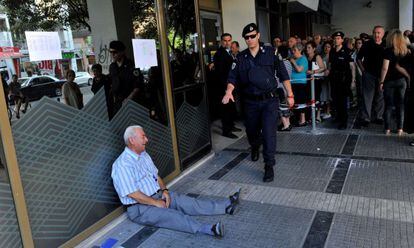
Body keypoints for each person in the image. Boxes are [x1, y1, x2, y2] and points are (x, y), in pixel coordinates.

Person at [112, 126, 241, 237]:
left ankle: (226, 206)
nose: (147, 139)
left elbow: (156, 176)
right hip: (140, 208)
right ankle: (209, 229)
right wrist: (155, 203)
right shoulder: (122, 165)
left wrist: (165, 191)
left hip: (158, 196)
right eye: (143, 137)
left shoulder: (144, 155)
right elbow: (133, 194)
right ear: (132, 140)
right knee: (172, 216)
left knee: (190, 203)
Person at [222, 23, 294, 182]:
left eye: (252, 36)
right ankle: (254, 145)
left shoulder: (271, 52)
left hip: (269, 101)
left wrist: (290, 94)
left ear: (258, 35)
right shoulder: (240, 58)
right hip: (250, 103)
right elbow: (232, 78)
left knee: (269, 134)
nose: (249, 39)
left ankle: (269, 166)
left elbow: (283, 74)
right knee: (252, 131)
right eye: (246, 37)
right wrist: (228, 91)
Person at [379, 29, 411, 136]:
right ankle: (400, 129)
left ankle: (387, 129)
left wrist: (381, 81)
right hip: (402, 81)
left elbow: (384, 68)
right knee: (401, 105)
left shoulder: (388, 51)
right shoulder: (406, 51)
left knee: (388, 105)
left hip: (389, 81)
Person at [357, 26, 386, 127]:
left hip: (382, 75)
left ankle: (379, 117)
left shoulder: (386, 45)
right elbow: (359, 58)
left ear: (382, 34)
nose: (376, 35)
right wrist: (363, 71)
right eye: (374, 32)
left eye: (378, 33)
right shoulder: (367, 44)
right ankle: (366, 118)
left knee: (380, 96)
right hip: (369, 74)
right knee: (367, 97)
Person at [214, 33, 241, 139]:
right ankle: (226, 131)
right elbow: (220, 73)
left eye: (229, 40)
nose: (227, 42)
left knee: (231, 108)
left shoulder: (229, 52)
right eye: (225, 40)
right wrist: (226, 89)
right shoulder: (219, 54)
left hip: (231, 85)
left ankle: (231, 126)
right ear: (221, 41)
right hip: (224, 87)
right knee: (225, 109)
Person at [109, 40, 144, 117]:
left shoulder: (131, 66)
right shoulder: (112, 67)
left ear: (122, 52)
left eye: (115, 52)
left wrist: (128, 100)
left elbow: (138, 86)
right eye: (111, 52)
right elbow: (113, 84)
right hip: (118, 103)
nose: (112, 55)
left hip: (132, 102)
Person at [329, 31, 356, 130]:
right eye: (335, 38)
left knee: (343, 101)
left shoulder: (347, 51)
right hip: (334, 78)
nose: (336, 40)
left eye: (338, 38)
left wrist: (353, 80)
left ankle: (344, 121)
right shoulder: (332, 51)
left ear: (342, 40)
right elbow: (331, 64)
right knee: (335, 99)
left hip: (344, 79)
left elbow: (352, 67)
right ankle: (339, 117)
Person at [306, 41, 326, 122]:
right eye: (306, 47)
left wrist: (313, 72)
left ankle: (317, 116)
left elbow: (323, 67)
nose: (307, 49)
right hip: (309, 80)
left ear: (314, 48)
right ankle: (311, 116)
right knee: (310, 98)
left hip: (316, 80)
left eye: (309, 47)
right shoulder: (306, 57)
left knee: (316, 97)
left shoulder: (317, 56)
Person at [289, 43, 308, 126]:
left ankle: (303, 120)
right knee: (294, 102)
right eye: (292, 50)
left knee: (301, 101)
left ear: (300, 50)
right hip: (292, 82)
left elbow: (299, 70)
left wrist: (293, 62)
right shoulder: (293, 59)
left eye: (295, 50)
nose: (293, 52)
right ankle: (296, 119)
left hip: (300, 83)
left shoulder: (303, 59)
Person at [321, 42, 333, 119]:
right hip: (323, 77)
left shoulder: (331, 56)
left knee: (328, 95)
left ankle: (328, 112)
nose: (326, 48)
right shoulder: (322, 56)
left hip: (329, 78)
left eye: (328, 47)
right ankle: (325, 111)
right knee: (324, 94)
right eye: (325, 47)